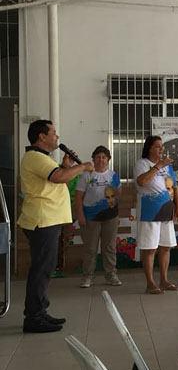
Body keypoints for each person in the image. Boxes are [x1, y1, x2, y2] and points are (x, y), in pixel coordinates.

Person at [18, 120, 93, 333]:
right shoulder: (36, 157)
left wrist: (66, 166)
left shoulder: (42, 158)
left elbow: (55, 179)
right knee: (42, 269)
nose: (56, 136)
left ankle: (39, 311)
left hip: (47, 220)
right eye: (53, 132)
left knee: (45, 267)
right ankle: (33, 317)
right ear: (42, 136)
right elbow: (58, 178)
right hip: (43, 220)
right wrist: (82, 167)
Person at [134, 136, 178, 294]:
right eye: (157, 146)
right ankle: (150, 283)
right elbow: (142, 182)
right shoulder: (142, 164)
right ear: (149, 148)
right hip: (149, 212)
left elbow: (175, 187)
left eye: (162, 146)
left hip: (167, 211)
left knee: (166, 246)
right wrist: (158, 166)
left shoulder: (168, 167)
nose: (161, 149)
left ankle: (164, 280)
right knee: (150, 249)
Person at [75, 145, 122, 288]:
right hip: (91, 218)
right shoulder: (87, 175)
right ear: (93, 159)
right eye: (98, 157)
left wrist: (116, 213)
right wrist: (80, 215)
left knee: (109, 248)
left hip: (110, 217)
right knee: (90, 249)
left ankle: (111, 275)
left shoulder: (113, 175)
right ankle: (87, 276)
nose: (101, 160)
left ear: (108, 159)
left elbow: (118, 195)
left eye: (104, 157)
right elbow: (78, 198)